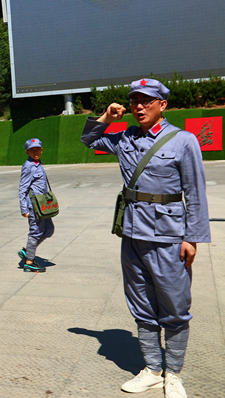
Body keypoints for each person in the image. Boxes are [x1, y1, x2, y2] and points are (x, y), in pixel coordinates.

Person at [81, 78, 210, 398]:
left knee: (175, 306)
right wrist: (106, 118)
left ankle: (174, 373)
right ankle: (153, 369)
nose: (139, 106)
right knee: (141, 305)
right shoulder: (124, 137)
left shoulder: (183, 141)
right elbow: (88, 139)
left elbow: (195, 192)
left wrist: (192, 237)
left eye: (147, 100)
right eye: (134, 100)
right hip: (132, 234)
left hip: (168, 236)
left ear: (162, 105)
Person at [18, 138, 54, 273]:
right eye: (32, 150)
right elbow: (23, 188)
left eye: (37, 149)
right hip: (34, 206)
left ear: (42, 150)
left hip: (43, 205)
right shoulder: (29, 166)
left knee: (49, 230)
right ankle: (29, 262)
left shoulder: (38, 163)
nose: (35, 152)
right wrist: (24, 208)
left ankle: (27, 251)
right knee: (35, 232)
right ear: (27, 151)